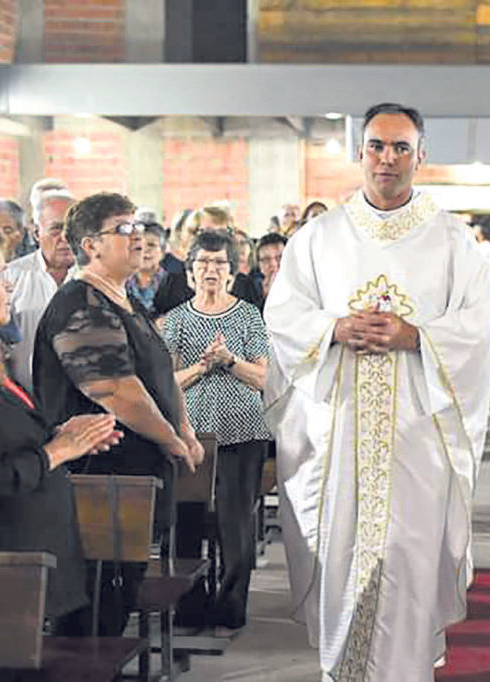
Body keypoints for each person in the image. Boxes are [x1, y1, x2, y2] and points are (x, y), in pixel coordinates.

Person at [264, 102, 490, 680]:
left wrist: (417, 334)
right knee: (343, 558)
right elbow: (283, 318)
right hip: (339, 437)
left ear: (422, 156)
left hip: (418, 438)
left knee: (408, 560)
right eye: (375, 145)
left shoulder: (453, 242)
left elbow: (478, 328)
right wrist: (335, 329)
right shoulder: (319, 238)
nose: (386, 159)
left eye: (400, 148)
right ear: (359, 152)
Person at [33, 192, 204, 635]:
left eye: (138, 227)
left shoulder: (125, 300)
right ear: (91, 245)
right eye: (123, 229)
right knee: (94, 607)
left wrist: (183, 427)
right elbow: (114, 390)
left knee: (118, 597)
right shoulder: (81, 304)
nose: (138, 237)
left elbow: (159, 373)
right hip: (98, 480)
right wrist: (170, 438)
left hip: (130, 482)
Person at [0, 229, 121, 635]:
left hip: (32, 562)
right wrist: (57, 451)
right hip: (2, 573)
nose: (8, 285)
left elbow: (0, 438)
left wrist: (65, 435)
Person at [165, 230, 271, 636]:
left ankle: (229, 607)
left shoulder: (248, 315)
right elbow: (166, 383)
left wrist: (229, 361)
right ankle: (190, 605)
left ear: (232, 272)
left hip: (242, 432)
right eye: (203, 263)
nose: (211, 270)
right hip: (190, 435)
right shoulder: (175, 320)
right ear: (191, 272)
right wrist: (200, 368)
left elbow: (264, 378)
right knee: (186, 523)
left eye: (220, 263)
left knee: (236, 525)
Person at [5, 188, 75, 391]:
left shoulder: (96, 278)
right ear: (36, 232)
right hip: (27, 401)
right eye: (56, 229)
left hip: (84, 405)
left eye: (72, 228)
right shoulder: (11, 277)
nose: (65, 237)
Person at [152, 206, 262, 317]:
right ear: (191, 236)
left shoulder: (243, 284)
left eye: (223, 233)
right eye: (208, 233)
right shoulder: (173, 283)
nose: (216, 241)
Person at [125, 220, 168, 316]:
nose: (144, 250)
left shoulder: (177, 284)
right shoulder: (121, 282)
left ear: (163, 251)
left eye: (151, 245)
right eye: (139, 245)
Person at [253, 232, 286, 307]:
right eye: (266, 260)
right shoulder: (250, 289)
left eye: (279, 257)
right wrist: (266, 297)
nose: (273, 264)